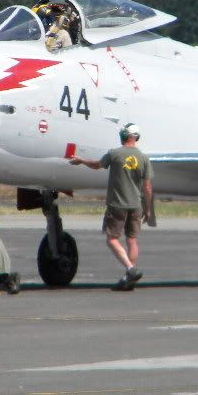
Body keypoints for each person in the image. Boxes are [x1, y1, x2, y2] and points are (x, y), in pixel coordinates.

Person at [69, 123, 154, 291]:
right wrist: (148, 209)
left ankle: (130, 269)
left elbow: (97, 165)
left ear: (124, 135)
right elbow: (148, 187)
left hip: (117, 204)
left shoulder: (114, 154)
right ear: (137, 137)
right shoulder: (144, 158)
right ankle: (129, 276)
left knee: (112, 239)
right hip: (136, 205)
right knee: (132, 239)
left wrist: (81, 160)